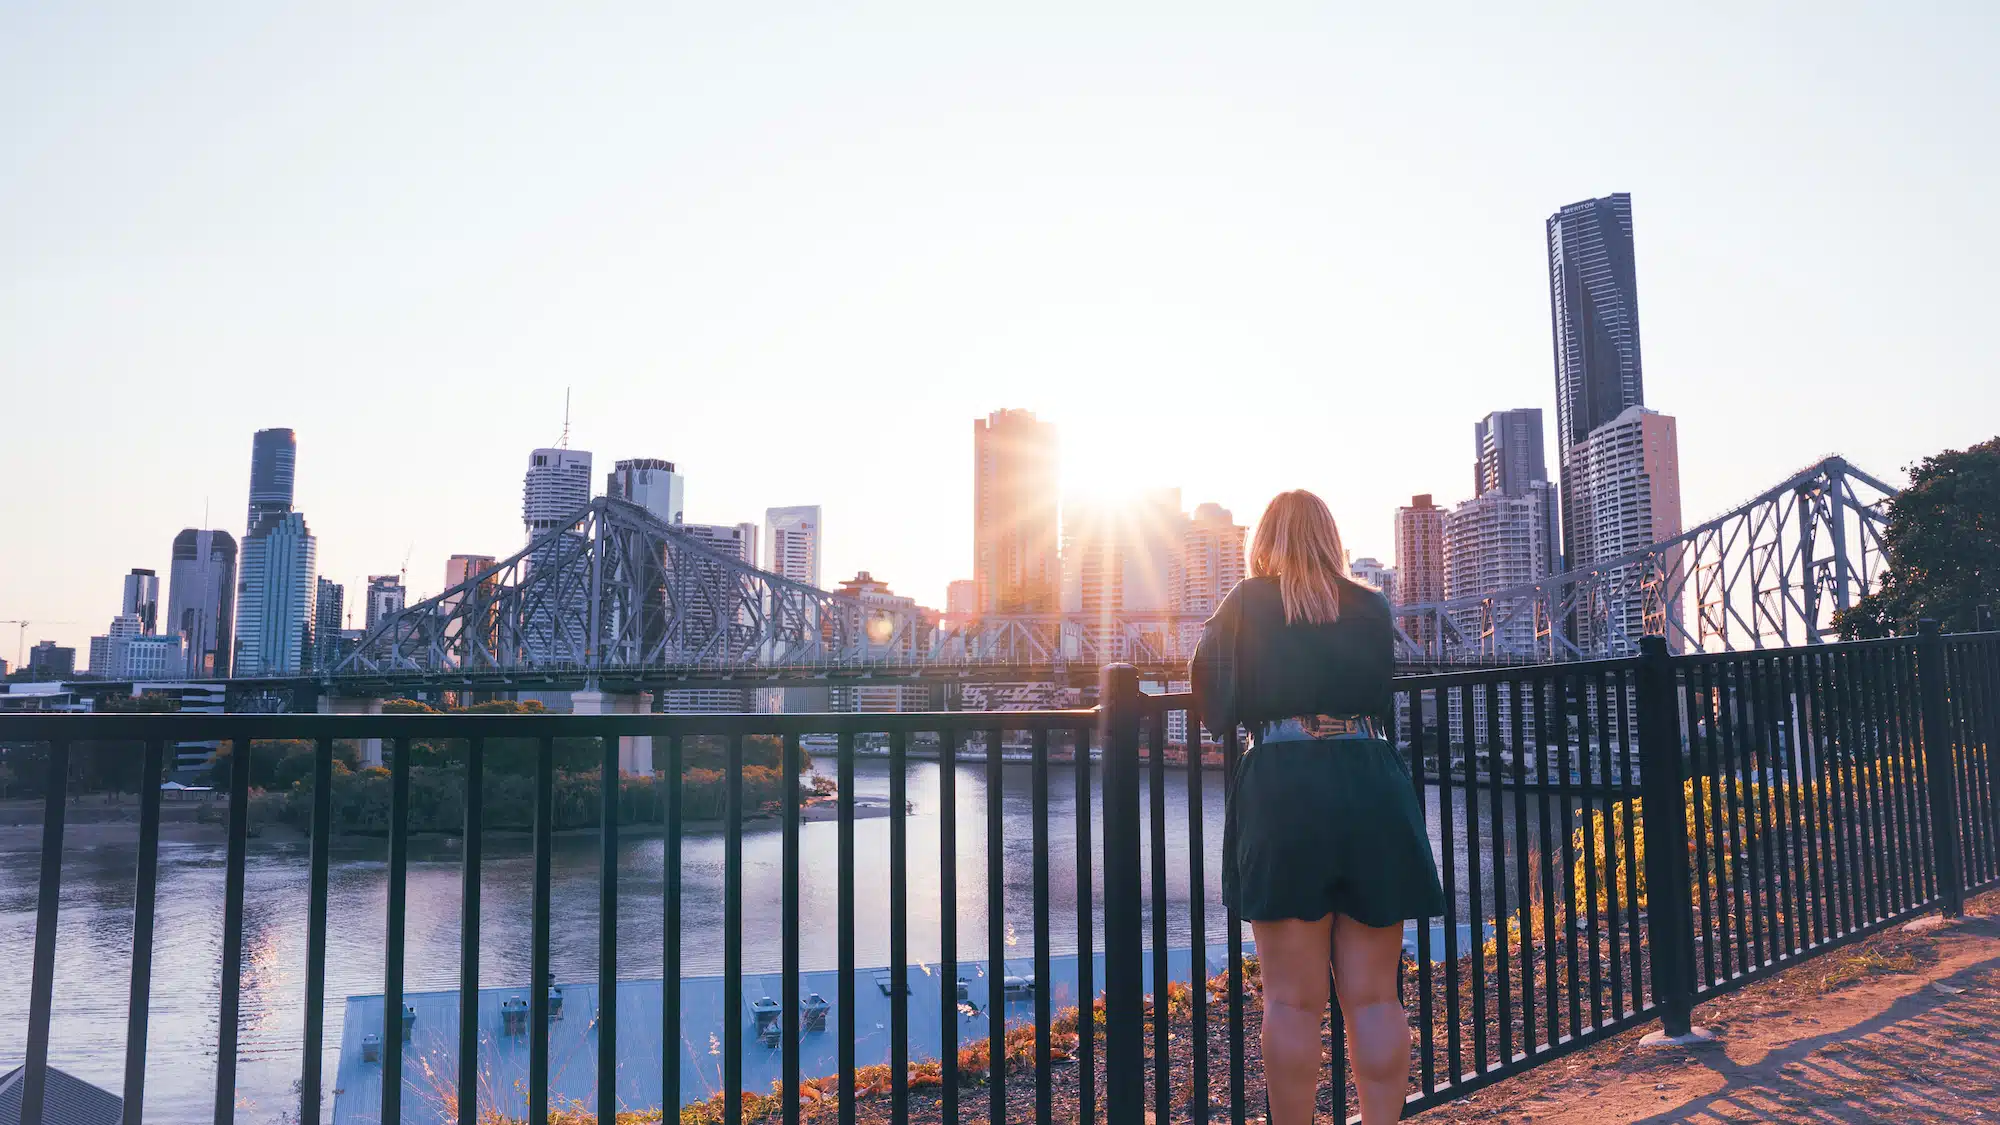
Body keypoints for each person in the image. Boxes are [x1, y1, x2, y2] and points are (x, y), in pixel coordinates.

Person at [1192, 489, 1444, 1125]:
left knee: (1292, 1003)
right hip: (1371, 778)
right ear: (1331, 541)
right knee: (1376, 999)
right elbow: (1380, 695)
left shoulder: (1248, 601)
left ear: (1265, 543)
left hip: (1284, 786)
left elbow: (1209, 694)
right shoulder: (1370, 604)